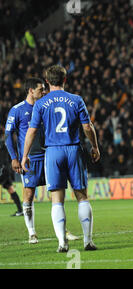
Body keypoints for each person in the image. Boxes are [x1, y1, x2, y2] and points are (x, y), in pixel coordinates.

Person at [21, 65, 100, 252]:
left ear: (47, 82)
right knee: (82, 196)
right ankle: (87, 241)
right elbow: (87, 127)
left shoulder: (41, 103)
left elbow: (31, 131)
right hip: (73, 149)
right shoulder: (76, 99)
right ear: (65, 80)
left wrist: (25, 155)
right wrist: (95, 146)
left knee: (57, 199)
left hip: (53, 152)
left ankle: (62, 243)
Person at [5, 78, 79, 243]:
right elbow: (8, 136)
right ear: (31, 90)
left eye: (45, 89)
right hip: (30, 159)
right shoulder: (17, 110)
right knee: (29, 194)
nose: (44, 92)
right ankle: (32, 232)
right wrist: (14, 158)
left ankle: (63, 231)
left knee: (56, 194)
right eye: (41, 89)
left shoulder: (47, 106)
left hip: (49, 155)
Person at [0, 142, 23, 217]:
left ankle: (20, 210)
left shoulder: (3, 144)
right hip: (5, 168)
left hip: (3, 169)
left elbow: (4, 158)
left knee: (10, 188)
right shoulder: (5, 143)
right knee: (10, 188)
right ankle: (20, 210)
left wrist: (4, 167)